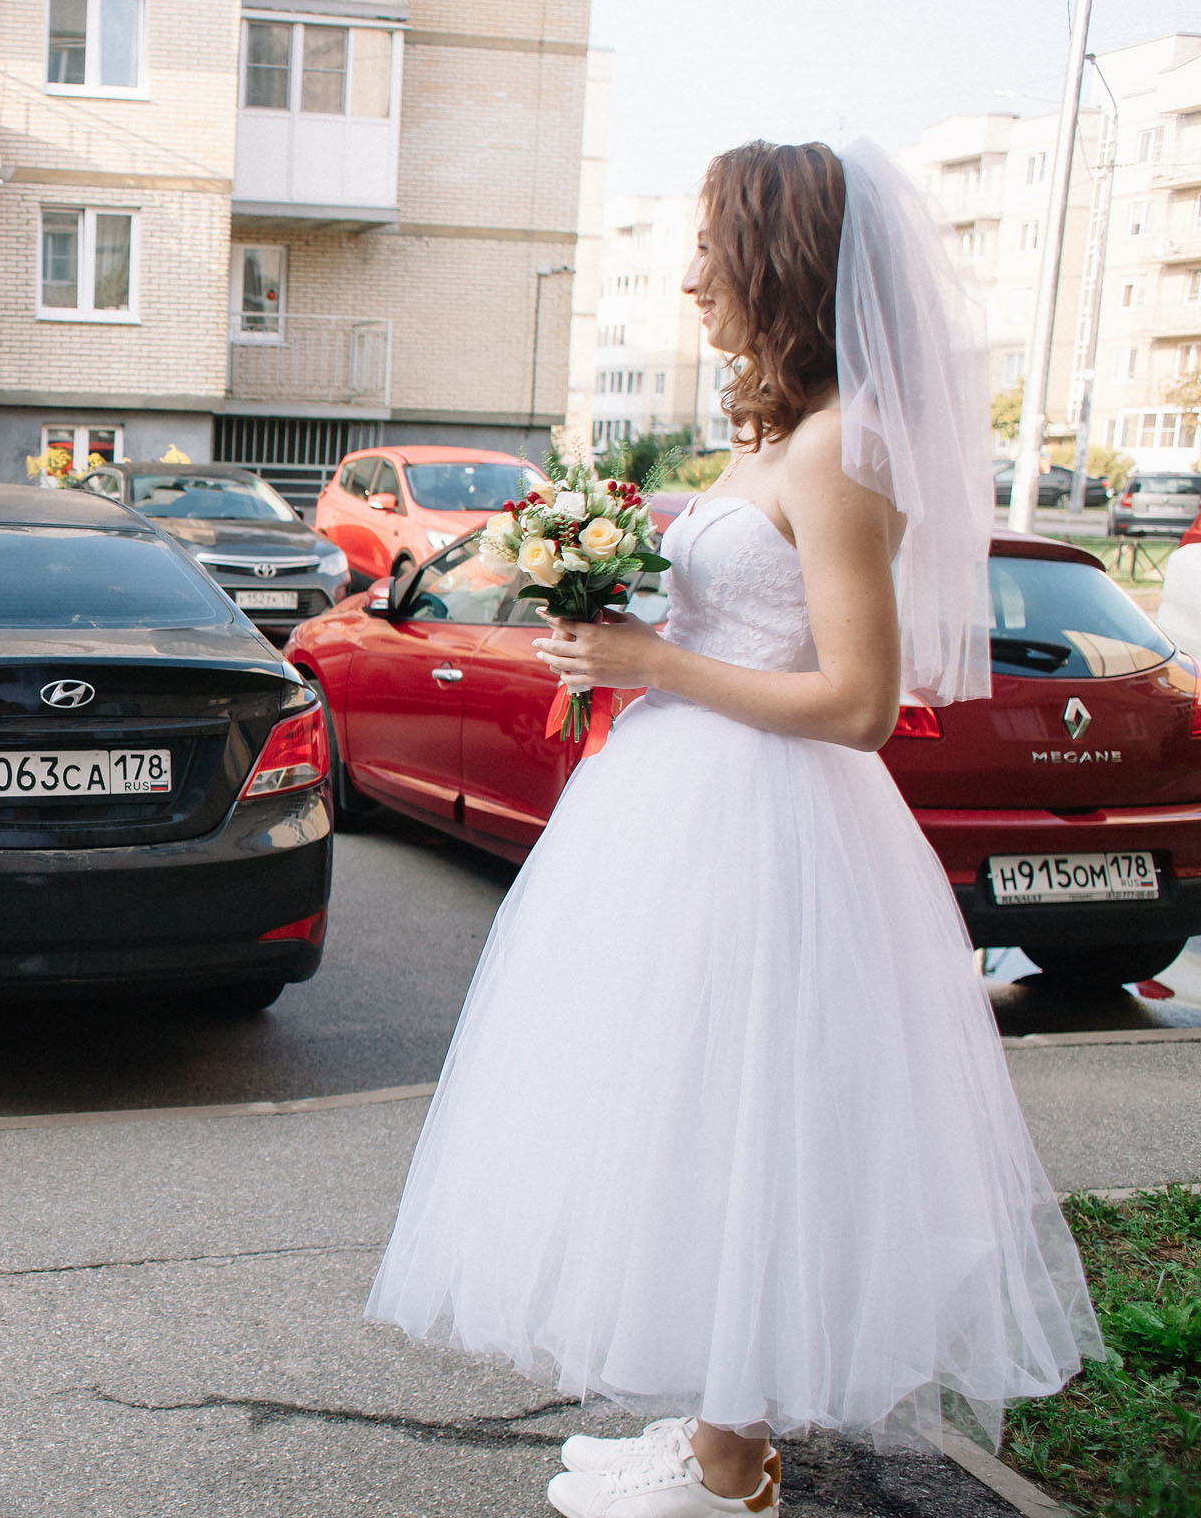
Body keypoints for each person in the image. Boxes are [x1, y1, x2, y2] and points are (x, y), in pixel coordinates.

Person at [363, 142, 1099, 1518]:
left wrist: (660, 667)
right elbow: (719, 616)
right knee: (685, 1119)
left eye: (710, 246)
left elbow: (864, 701)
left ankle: (729, 1464)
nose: (691, 275)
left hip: (772, 828)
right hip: (680, 811)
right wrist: (617, 643)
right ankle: (718, 1431)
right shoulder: (775, 436)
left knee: (758, 1119)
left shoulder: (845, 449)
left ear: (781, 261)